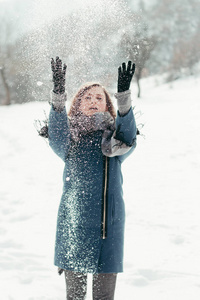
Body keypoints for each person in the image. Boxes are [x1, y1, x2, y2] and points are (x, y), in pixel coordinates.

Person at [47, 57, 137, 300]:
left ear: (108, 106)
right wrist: (58, 94)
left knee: (104, 298)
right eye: (87, 97)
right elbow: (55, 134)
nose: (93, 101)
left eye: (99, 98)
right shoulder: (70, 139)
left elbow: (129, 135)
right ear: (77, 104)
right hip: (74, 225)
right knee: (74, 297)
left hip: (109, 225)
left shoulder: (115, 141)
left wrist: (124, 99)